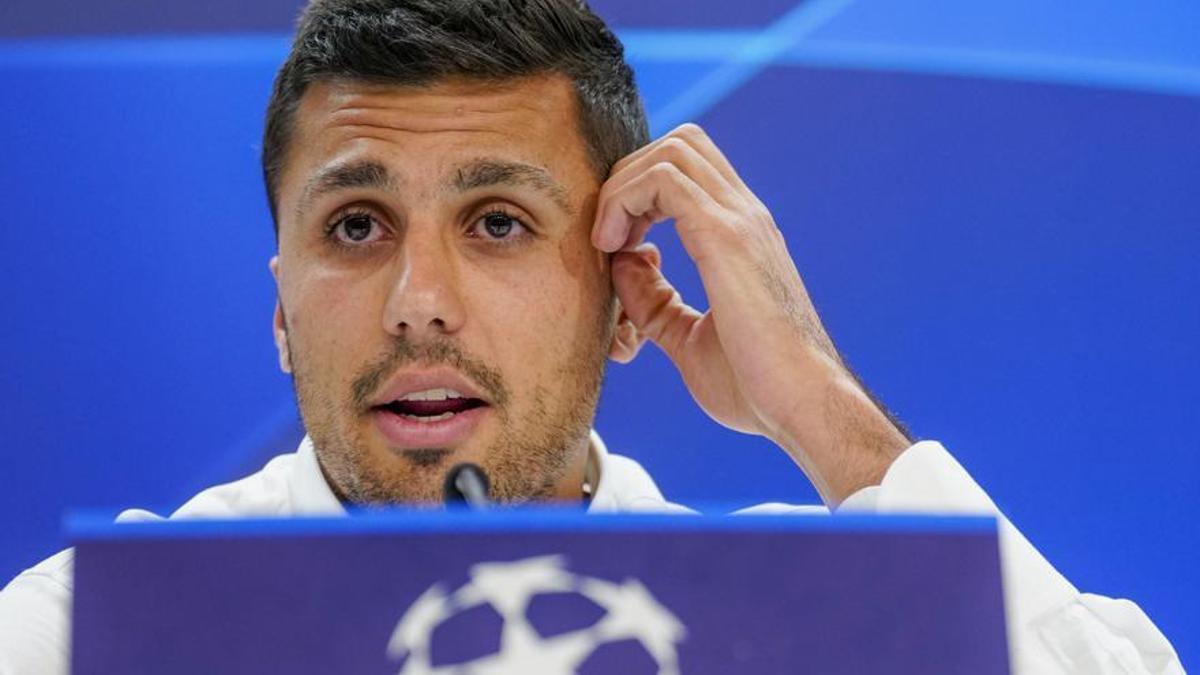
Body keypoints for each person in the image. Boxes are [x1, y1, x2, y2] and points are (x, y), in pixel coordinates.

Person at [0, 1, 1183, 673]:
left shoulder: (796, 621)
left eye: (499, 221)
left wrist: (821, 411)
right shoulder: (85, 639)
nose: (420, 298)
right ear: (279, 307)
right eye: (357, 224)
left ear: (625, 298)